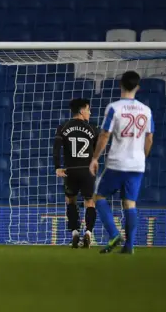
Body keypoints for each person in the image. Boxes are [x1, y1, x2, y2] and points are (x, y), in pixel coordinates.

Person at [90, 71, 154, 254]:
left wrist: (95, 158)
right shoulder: (146, 110)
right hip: (137, 165)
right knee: (130, 203)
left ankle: (114, 234)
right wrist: (143, 156)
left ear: (120, 84)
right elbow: (149, 138)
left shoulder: (114, 108)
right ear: (138, 88)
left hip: (117, 162)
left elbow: (104, 135)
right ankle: (130, 246)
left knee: (99, 197)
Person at [53, 98, 99, 248]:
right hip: (87, 171)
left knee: (71, 201)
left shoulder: (63, 127)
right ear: (81, 111)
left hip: (70, 171)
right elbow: (98, 149)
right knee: (90, 202)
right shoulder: (92, 128)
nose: (90, 112)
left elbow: (56, 148)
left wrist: (57, 167)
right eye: (88, 109)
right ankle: (88, 233)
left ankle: (74, 233)